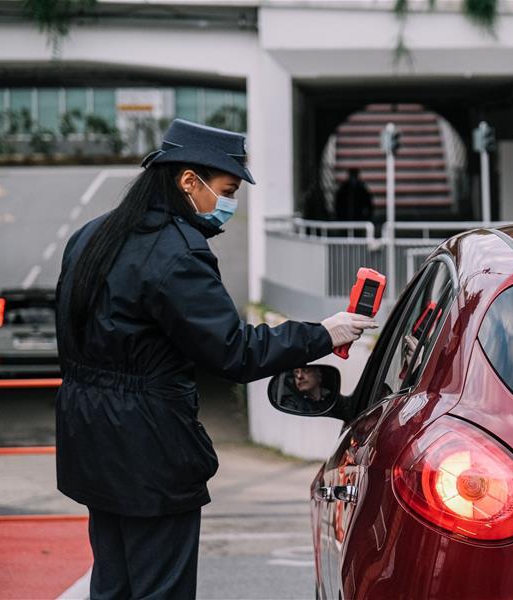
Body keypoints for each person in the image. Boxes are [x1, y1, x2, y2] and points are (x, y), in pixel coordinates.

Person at [53, 118, 377, 599]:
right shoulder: (177, 253)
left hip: (90, 438)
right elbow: (234, 351)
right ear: (189, 181)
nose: (230, 203)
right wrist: (322, 334)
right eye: (227, 189)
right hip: (149, 448)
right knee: (161, 590)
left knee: (113, 585)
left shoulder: (92, 237)